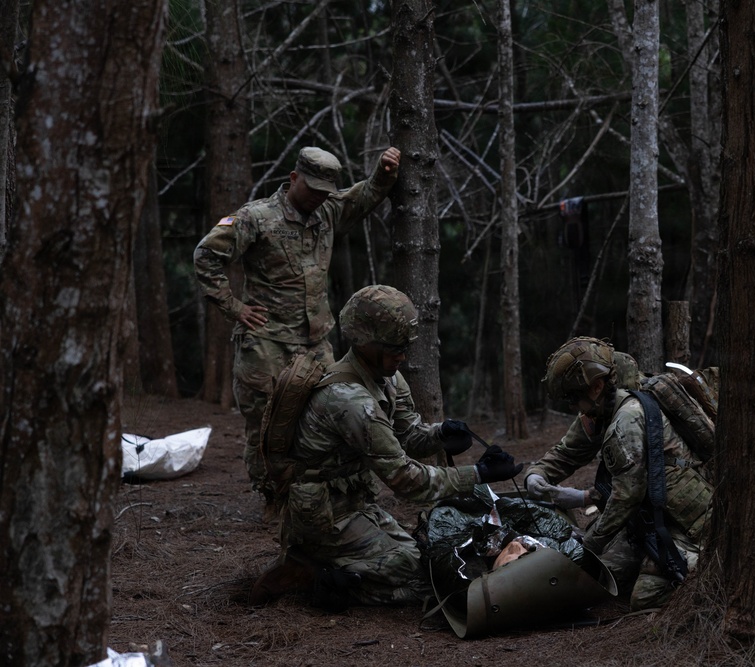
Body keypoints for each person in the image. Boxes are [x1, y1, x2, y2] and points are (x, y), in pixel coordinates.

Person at [250, 284, 523, 610]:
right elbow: (406, 480)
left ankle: (329, 567)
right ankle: (314, 575)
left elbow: (408, 436)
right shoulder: (350, 402)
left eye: (405, 346)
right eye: (395, 348)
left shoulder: (387, 378)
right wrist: (479, 474)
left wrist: (439, 434)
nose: (402, 356)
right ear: (366, 343)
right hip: (320, 517)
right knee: (422, 580)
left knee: (429, 560)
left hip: (352, 503)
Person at [193, 145, 401, 519]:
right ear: (293, 179)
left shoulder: (328, 210)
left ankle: (319, 496)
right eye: (312, 189)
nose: (318, 197)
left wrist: (385, 173)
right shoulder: (257, 217)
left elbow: (363, 196)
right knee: (266, 425)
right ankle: (274, 499)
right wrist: (234, 307)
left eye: (325, 192)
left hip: (315, 343)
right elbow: (206, 255)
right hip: (266, 342)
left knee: (326, 418)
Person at [523, 337, 714, 611]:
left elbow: (627, 497)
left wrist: (589, 543)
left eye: (574, 398)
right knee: (608, 571)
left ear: (597, 385)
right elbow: (570, 450)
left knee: (645, 596)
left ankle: (713, 560)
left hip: (692, 521)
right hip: (653, 516)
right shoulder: (606, 405)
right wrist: (537, 473)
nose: (573, 407)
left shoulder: (625, 420)